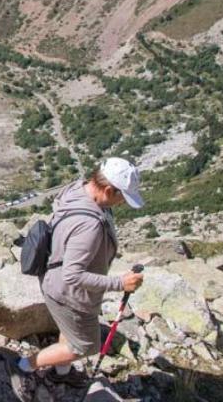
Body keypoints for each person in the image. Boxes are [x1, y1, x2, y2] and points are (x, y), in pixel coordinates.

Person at [14, 157, 146, 387]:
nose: (122, 203)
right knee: (84, 346)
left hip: (53, 275)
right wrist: (119, 283)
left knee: (70, 330)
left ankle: (62, 372)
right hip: (67, 291)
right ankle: (24, 367)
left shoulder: (78, 188)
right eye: (122, 197)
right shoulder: (90, 226)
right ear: (107, 190)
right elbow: (72, 275)